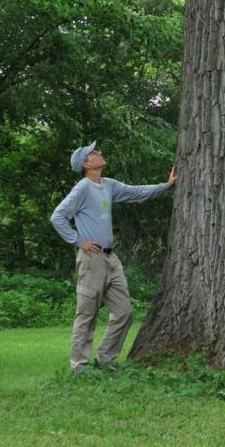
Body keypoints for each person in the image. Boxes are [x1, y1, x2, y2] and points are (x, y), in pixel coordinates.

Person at [50, 141, 177, 374]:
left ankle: (106, 360)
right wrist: (78, 241)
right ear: (87, 163)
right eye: (94, 152)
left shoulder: (108, 185)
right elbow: (57, 216)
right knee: (87, 314)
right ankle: (80, 369)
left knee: (124, 312)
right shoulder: (82, 188)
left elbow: (135, 192)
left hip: (111, 258)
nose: (100, 153)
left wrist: (165, 186)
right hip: (91, 260)